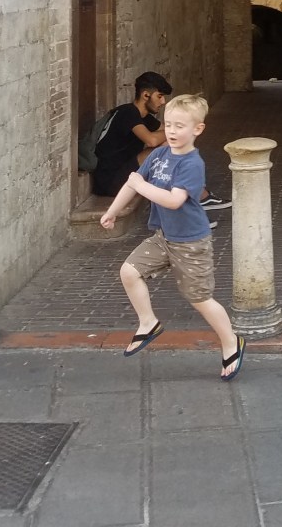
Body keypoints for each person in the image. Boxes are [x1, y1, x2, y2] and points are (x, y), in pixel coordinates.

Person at [100, 93, 246, 380]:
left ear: (197, 129)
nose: (172, 131)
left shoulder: (192, 163)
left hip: (191, 242)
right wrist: (112, 211)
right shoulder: (158, 155)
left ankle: (232, 342)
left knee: (199, 299)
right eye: (168, 125)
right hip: (164, 237)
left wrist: (141, 186)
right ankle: (148, 323)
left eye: (180, 126)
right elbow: (132, 182)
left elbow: (174, 200)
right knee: (129, 272)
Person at [92, 71, 230, 212]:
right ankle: (200, 197)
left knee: (172, 144)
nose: (163, 102)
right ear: (146, 95)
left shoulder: (144, 117)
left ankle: (191, 194)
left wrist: (180, 129)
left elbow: (165, 131)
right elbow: (151, 140)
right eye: (159, 96)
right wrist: (177, 131)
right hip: (111, 180)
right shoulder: (128, 112)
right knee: (165, 147)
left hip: (127, 173)